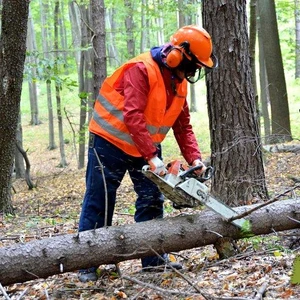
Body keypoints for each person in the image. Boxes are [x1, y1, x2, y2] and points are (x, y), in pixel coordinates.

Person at [78, 25, 218, 282]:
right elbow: (133, 115)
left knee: (151, 200)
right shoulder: (141, 69)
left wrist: (195, 160)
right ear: (179, 55)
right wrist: (153, 158)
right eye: (194, 65)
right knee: (100, 200)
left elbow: (183, 125)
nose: (195, 71)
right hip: (110, 142)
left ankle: (153, 260)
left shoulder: (180, 83)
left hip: (145, 146)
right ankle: (87, 263)